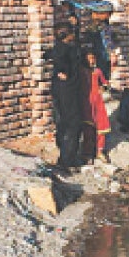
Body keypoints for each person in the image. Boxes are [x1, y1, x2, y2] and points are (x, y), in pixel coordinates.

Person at [44, 21, 83, 171]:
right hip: (68, 90)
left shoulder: (60, 48)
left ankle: (65, 154)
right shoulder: (66, 49)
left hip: (60, 89)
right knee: (73, 123)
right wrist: (64, 72)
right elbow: (62, 64)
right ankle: (67, 160)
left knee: (63, 121)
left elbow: (50, 55)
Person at [81, 48, 111, 163]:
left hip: (98, 102)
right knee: (88, 129)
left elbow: (105, 83)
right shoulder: (82, 71)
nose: (92, 61)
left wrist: (103, 87)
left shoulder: (97, 71)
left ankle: (99, 151)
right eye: (89, 59)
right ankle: (87, 153)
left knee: (101, 127)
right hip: (87, 102)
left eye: (93, 58)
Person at [83, 1, 117, 85]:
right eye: (107, 14)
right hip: (90, 56)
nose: (108, 16)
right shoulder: (86, 23)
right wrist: (89, 53)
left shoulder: (104, 24)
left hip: (102, 55)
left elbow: (108, 39)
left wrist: (112, 53)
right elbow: (85, 40)